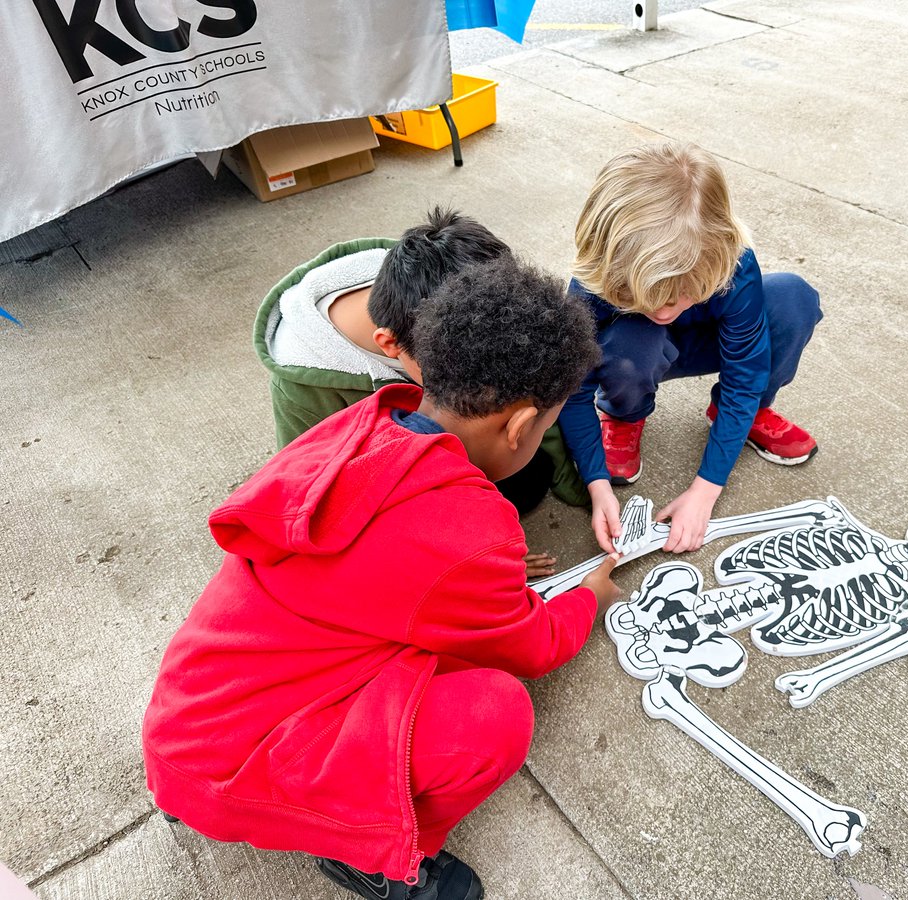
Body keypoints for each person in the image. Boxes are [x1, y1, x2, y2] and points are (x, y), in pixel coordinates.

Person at [143, 255, 621, 900]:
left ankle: (225, 797)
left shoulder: (360, 426)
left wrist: (489, 583)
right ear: (516, 424)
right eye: (548, 421)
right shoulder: (467, 528)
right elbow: (531, 647)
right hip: (235, 771)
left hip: (189, 726)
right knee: (496, 715)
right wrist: (586, 599)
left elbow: (395, 576)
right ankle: (374, 855)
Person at [559, 142, 824, 555]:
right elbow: (573, 387)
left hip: (709, 342)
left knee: (793, 298)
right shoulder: (594, 282)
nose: (664, 310)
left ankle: (748, 416)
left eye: (685, 293)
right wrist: (595, 482)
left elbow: (744, 375)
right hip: (637, 352)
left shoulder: (734, 263)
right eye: (645, 296)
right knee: (634, 342)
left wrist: (706, 490)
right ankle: (623, 414)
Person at [254, 208, 587, 519]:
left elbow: (530, 390)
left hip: (458, 434)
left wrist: (580, 482)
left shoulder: (448, 284)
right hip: (393, 488)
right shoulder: (301, 387)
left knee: (524, 484)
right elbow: (310, 493)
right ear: (390, 344)